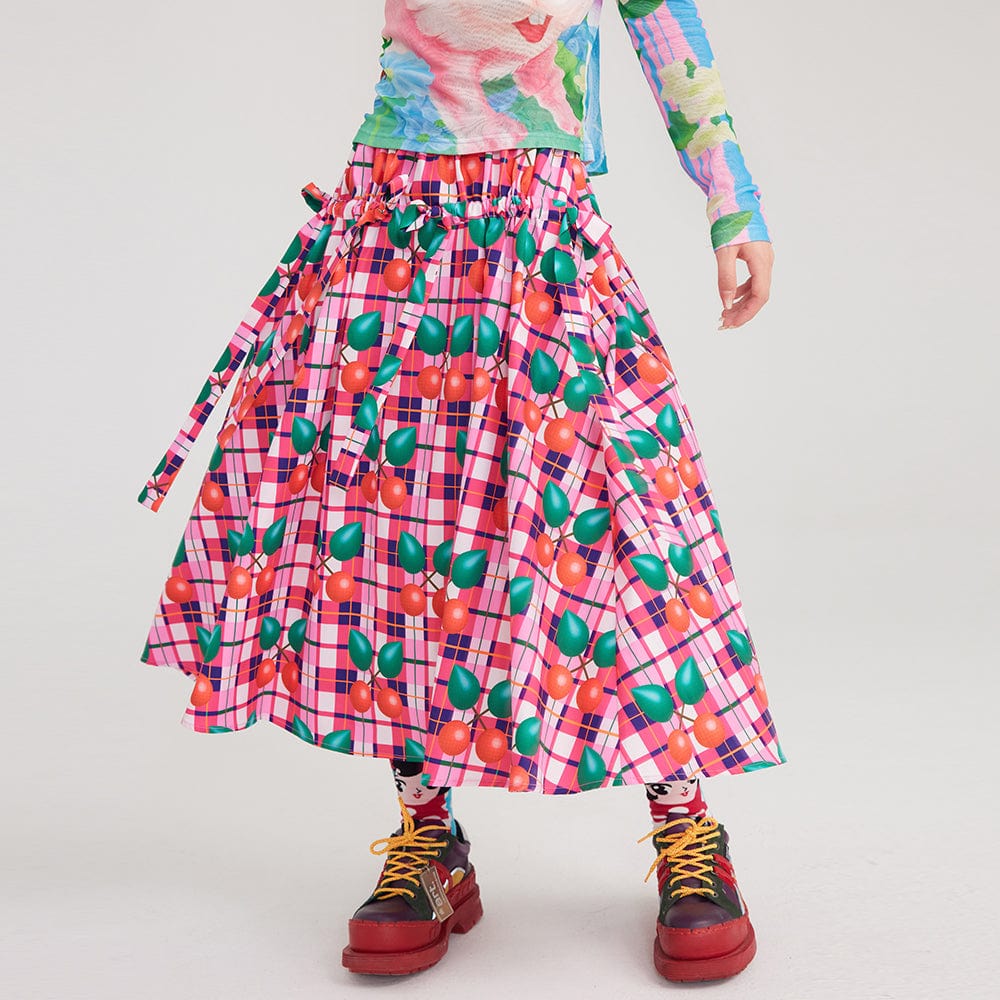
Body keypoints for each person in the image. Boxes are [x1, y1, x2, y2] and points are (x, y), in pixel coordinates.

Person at [136, 0, 785, 984]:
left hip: (537, 219)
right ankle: (429, 835)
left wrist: (730, 196)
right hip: (392, 209)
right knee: (391, 530)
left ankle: (685, 823)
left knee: (620, 520)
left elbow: (662, 17)